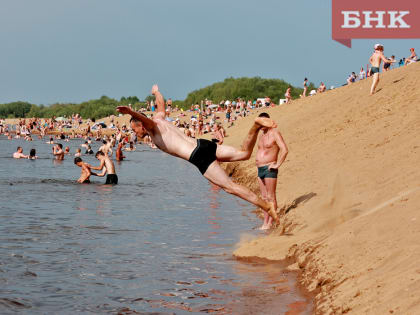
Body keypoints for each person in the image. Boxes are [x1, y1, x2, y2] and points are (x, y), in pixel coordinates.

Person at [117, 85, 279, 224]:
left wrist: (131, 112)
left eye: (134, 129)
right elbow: (161, 104)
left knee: (229, 187)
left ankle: (267, 207)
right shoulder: (160, 119)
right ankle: (255, 126)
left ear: (141, 125)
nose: (134, 133)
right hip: (203, 143)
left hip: (198, 156)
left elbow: (147, 120)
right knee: (244, 154)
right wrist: (156, 92)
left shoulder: (152, 127)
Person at [255, 113, 288, 230]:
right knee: (264, 198)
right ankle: (265, 222)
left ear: (268, 121)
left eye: (263, 122)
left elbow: (284, 149)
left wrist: (277, 164)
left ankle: (272, 222)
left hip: (270, 167)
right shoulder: (261, 135)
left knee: (271, 197)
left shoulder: (275, 133)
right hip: (260, 169)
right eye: (259, 123)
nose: (260, 125)